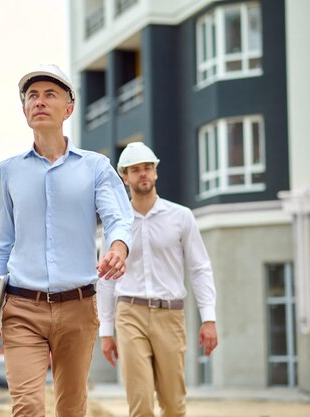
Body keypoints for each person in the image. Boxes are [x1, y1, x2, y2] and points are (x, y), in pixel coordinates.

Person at [0, 64, 134, 417]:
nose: (40, 102)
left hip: (78, 307)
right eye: (32, 96)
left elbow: (117, 218)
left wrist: (118, 248)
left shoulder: (95, 167)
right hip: (21, 308)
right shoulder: (9, 171)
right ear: (24, 110)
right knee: (28, 406)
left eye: (50, 94)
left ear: (69, 108)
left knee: (71, 407)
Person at [98, 142, 218, 417]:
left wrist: (208, 319)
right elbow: (105, 278)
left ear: (156, 173)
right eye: (136, 170)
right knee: (140, 404)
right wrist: (106, 331)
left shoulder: (181, 217)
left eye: (148, 168)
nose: (143, 174)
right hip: (129, 314)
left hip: (170, 315)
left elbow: (200, 268)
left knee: (174, 405)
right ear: (124, 177)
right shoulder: (116, 223)